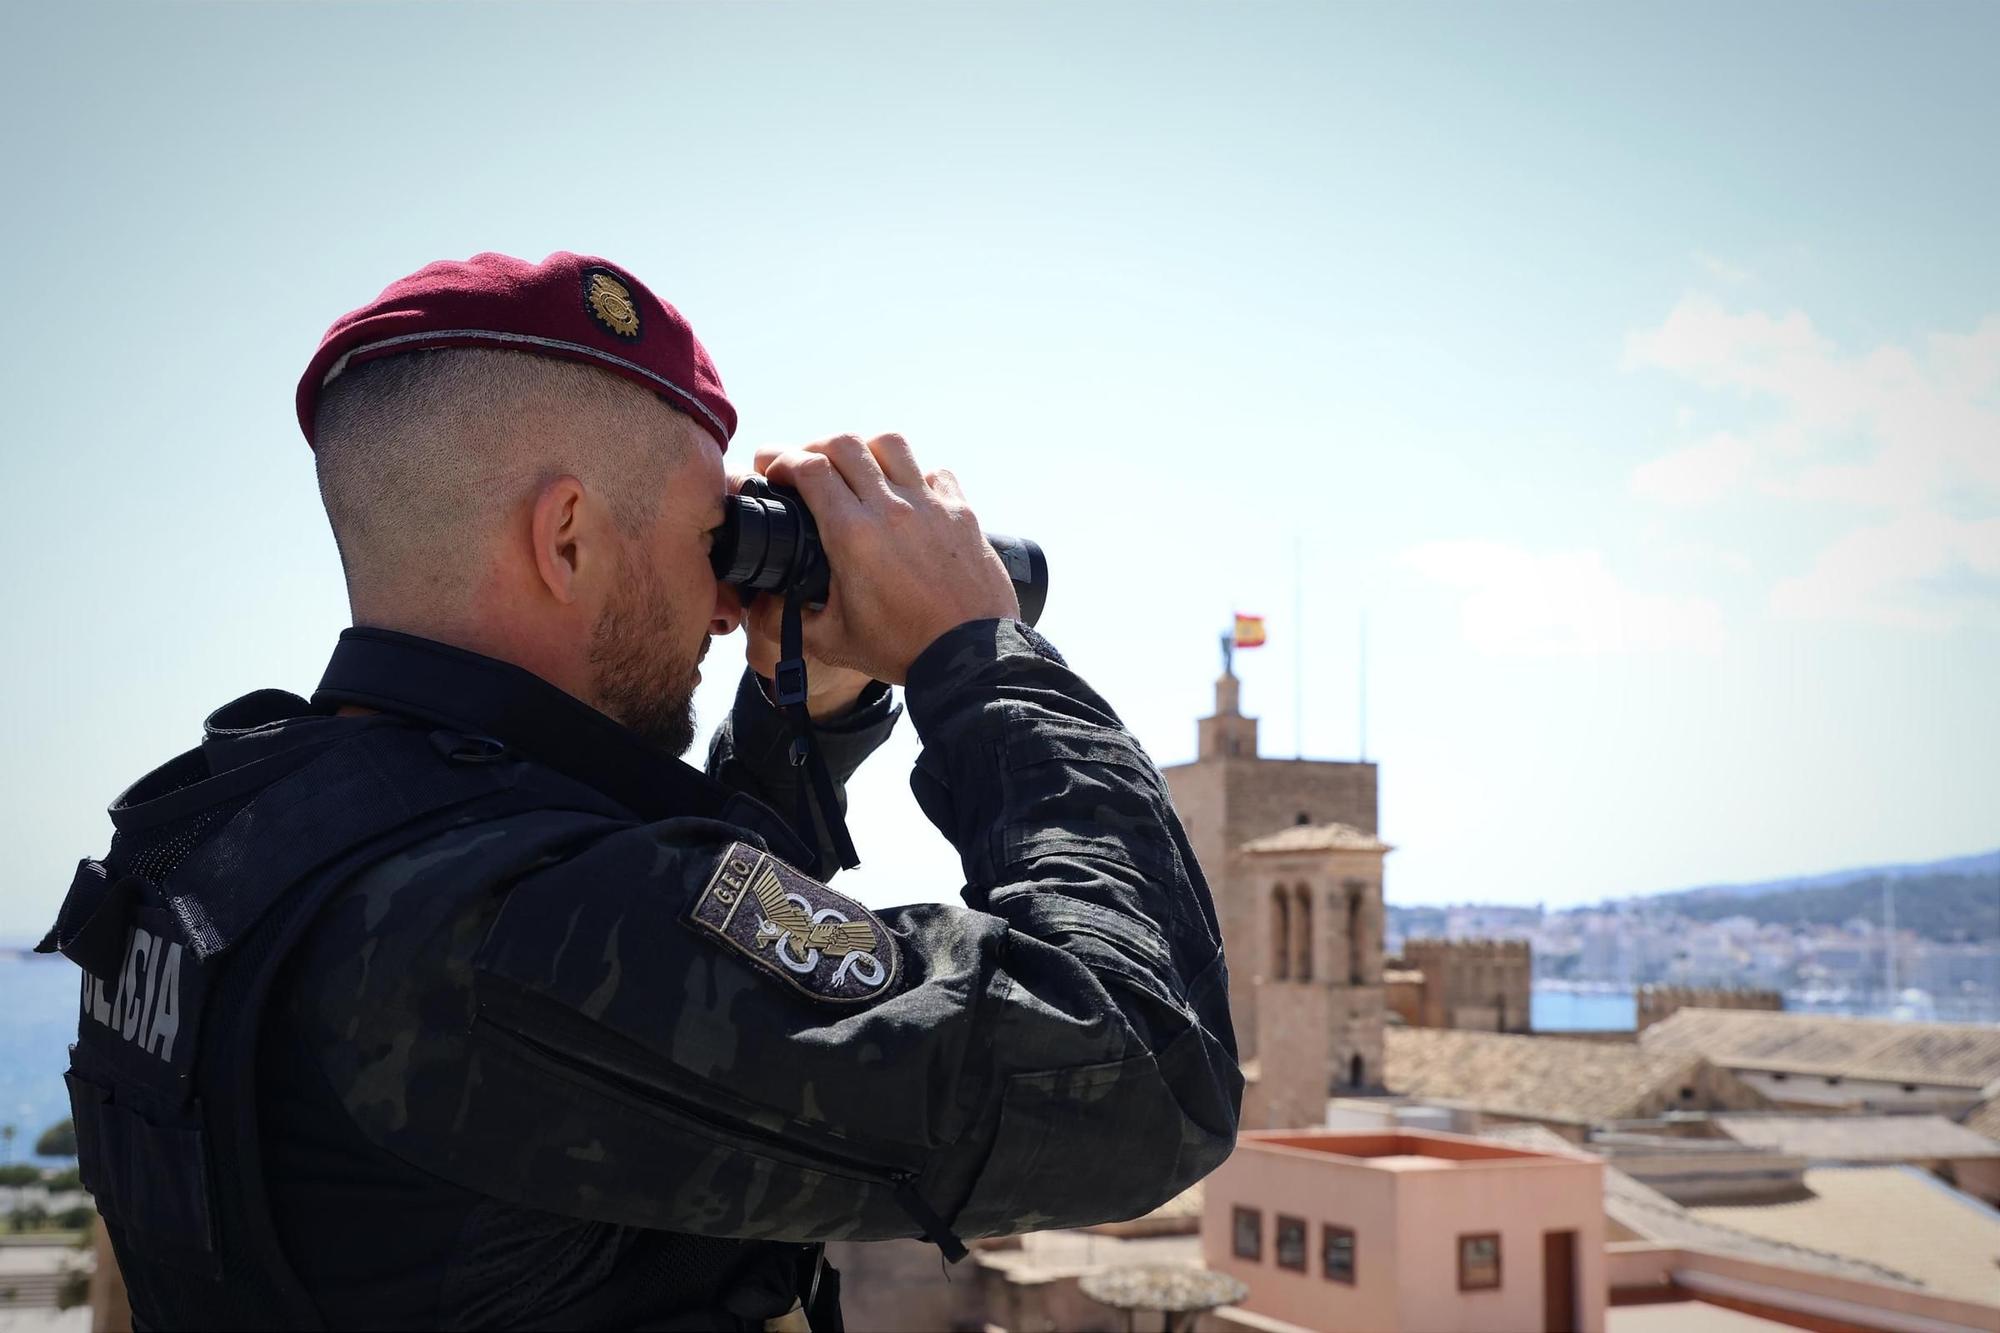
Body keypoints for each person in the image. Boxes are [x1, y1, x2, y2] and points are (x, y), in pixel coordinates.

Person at [43, 251, 1240, 1331]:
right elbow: (1141, 1071)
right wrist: (975, 652)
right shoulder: (502, 926)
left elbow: (672, 954)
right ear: (566, 537)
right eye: (706, 541)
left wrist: (800, 704)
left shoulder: (230, 837)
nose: (728, 604)